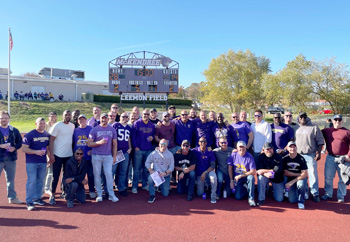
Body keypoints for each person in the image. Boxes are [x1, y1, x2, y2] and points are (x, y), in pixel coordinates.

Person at [87, 113, 119, 203]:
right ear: (100, 119)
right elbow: (89, 143)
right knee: (97, 175)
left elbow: (115, 144)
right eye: (102, 118)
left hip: (108, 156)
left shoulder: (112, 129)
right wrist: (98, 143)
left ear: (108, 119)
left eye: (105, 118)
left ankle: (111, 195)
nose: (104, 120)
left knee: (109, 174)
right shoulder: (94, 130)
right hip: (96, 155)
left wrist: (114, 156)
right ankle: (99, 194)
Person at [295, 112, 324, 202]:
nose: (303, 118)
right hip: (299, 155)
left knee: (312, 174)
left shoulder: (314, 127)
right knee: (301, 174)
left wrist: (318, 152)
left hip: (310, 154)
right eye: (301, 117)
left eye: (305, 117)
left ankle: (315, 193)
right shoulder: (296, 128)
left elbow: (320, 140)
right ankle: (305, 191)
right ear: (298, 118)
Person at [22, 117, 50, 210]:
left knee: (40, 181)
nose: (42, 125)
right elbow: (24, 148)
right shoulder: (29, 135)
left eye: (43, 123)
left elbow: (48, 147)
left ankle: (37, 198)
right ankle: (29, 202)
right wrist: (36, 152)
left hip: (42, 162)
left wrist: (49, 157)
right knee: (32, 181)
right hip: (32, 162)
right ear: (35, 124)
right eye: (40, 123)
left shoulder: (46, 134)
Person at [48, 110, 75, 205]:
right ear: (62, 116)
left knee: (66, 175)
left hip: (68, 155)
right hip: (57, 155)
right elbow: (51, 140)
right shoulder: (58, 125)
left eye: (69, 115)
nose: (68, 116)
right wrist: (51, 154)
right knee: (55, 176)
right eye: (66, 115)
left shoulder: (72, 126)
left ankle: (64, 192)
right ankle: (52, 195)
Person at [322, 114, 350, 203]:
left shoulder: (347, 132)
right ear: (333, 121)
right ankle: (328, 193)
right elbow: (316, 132)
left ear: (342, 121)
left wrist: (348, 156)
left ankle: (341, 196)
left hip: (343, 159)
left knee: (342, 179)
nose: (337, 122)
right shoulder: (327, 131)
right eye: (336, 120)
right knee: (328, 177)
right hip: (331, 157)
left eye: (339, 120)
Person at [0, 111, 23, 204]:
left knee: (11, 180)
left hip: (11, 159)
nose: (4, 119)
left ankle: (12, 198)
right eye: (2, 118)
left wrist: (15, 148)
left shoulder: (14, 130)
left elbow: (20, 142)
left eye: (5, 118)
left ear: (9, 119)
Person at [131, 109, 155, 193]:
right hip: (139, 150)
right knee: (137, 169)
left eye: (147, 114)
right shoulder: (137, 123)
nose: (146, 116)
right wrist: (136, 147)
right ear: (142, 114)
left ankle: (144, 185)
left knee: (146, 169)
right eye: (144, 114)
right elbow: (132, 137)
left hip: (148, 149)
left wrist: (152, 138)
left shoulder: (151, 125)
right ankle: (134, 186)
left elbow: (152, 135)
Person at [227, 141, 256, 207]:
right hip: (237, 178)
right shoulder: (233, 155)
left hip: (246, 176)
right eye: (240, 147)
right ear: (237, 148)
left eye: (243, 147)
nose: (242, 149)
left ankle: (251, 198)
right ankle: (246, 188)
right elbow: (230, 168)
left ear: (246, 148)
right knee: (238, 197)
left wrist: (241, 175)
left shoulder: (249, 156)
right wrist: (231, 180)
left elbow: (253, 171)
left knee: (251, 178)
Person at [145, 139, 174, 203]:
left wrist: (165, 172)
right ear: (159, 144)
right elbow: (147, 162)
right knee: (150, 178)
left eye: (164, 144)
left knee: (165, 194)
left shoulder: (170, 154)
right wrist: (150, 170)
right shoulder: (153, 153)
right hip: (156, 175)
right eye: (161, 144)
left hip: (165, 176)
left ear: (167, 145)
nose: (162, 145)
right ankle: (152, 195)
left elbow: (172, 167)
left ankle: (160, 187)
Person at [73, 114, 94, 198]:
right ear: (78, 121)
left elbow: (95, 141)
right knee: (79, 175)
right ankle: (79, 191)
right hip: (78, 157)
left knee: (90, 174)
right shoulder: (75, 130)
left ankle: (92, 190)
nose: (82, 121)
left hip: (88, 157)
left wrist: (92, 150)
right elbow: (72, 143)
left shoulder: (91, 129)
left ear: (86, 120)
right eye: (80, 120)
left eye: (83, 119)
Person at [283, 141, 308, 209]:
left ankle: (301, 201)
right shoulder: (285, 159)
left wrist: (292, 181)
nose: (292, 149)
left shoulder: (301, 158)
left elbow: (305, 175)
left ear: (297, 148)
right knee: (292, 200)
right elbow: (286, 173)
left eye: (294, 147)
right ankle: (299, 191)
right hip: (292, 178)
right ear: (287, 148)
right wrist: (299, 174)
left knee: (301, 184)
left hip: (300, 179)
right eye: (290, 147)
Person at [192, 137, 218, 204]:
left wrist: (205, 172)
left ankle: (213, 195)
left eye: (204, 142)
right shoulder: (195, 151)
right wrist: (179, 151)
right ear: (198, 143)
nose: (202, 143)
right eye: (201, 141)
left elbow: (213, 165)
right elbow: (185, 150)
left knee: (213, 177)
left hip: (208, 172)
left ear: (206, 143)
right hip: (199, 174)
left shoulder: (210, 152)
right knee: (200, 193)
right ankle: (204, 185)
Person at [113, 112, 132, 197]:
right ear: (119, 117)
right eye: (123, 116)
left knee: (123, 171)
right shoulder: (115, 125)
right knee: (112, 171)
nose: (124, 118)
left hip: (125, 152)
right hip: (116, 152)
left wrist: (130, 147)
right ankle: (108, 189)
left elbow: (128, 138)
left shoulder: (129, 127)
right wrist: (113, 150)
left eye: (126, 117)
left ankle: (121, 188)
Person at [43, 111, 57, 196]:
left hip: (56, 150)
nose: (53, 118)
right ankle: (46, 188)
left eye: (54, 116)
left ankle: (50, 187)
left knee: (52, 171)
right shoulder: (45, 126)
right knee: (48, 170)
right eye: (51, 116)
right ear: (48, 117)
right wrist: (49, 155)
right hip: (46, 150)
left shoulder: (58, 125)